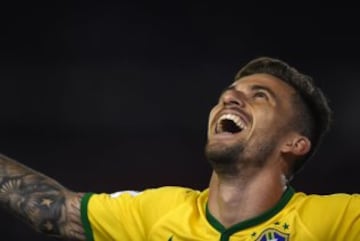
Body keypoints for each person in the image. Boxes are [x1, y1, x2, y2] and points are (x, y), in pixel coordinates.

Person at [0, 56, 359, 241]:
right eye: (227, 95)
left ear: (294, 143)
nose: (230, 98)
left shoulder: (333, 221)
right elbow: (56, 210)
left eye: (259, 96)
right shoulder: (158, 212)